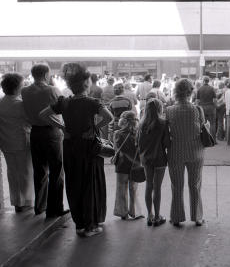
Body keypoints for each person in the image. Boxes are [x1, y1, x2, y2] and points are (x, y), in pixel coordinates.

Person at [40, 63, 113, 237]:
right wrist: (94, 127)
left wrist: (62, 127)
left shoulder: (64, 102)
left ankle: (80, 224)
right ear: (86, 84)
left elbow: (42, 115)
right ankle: (90, 226)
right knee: (90, 183)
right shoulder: (91, 102)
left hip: (70, 145)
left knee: (74, 183)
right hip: (88, 147)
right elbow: (108, 117)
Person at [21, 64, 68, 218]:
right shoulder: (53, 90)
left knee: (39, 170)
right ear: (47, 74)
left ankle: (40, 206)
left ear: (33, 74)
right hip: (52, 132)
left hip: (34, 132)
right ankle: (55, 209)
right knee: (56, 171)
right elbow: (64, 107)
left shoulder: (25, 91)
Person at [166, 79, 206, 226]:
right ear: (190, 92)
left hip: (175, 151)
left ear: (176, 92)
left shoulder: (169, 110)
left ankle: (176, 217)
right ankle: (197, 217)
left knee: (177, 185)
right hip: (195, 151)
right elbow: (202, 126)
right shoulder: (197, 109)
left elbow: (166, 132)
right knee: (195, 185)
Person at [0, 73, 33, 212]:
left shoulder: (1, 103)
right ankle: (26, 202)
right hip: (21, 142)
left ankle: (16, 202)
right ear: (17, 87)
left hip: (6, 143)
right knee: (25, 172)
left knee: (12, 173)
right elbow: (30, 121)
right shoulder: (20, 104)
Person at [137, 99, 170, 226]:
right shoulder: (163, 123)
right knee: (157, 188)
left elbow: (138, 143)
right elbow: (167, 143)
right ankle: (157, 216)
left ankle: (149, 215)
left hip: (146, 159)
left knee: (148, 186)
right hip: (160, 158)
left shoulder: (141, 124)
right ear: (159, 108)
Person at [113, 111, 144, 220]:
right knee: (133, 189)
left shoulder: (117, 134)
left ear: (122, 121)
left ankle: (123, 212)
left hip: (121, 165)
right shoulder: (139, 134)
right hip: (135, 165)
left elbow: (116, 149)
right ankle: (134, 212)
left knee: (121, 189)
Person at [195, 76, 217, 143]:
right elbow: (215, 100)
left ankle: (205, 140)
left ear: (203, 81)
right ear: (208, 81)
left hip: (202, 108)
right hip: (210, 107)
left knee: (203, 124)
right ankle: (213, 140)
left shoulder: (199, 89)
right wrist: (214, 106)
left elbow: (197, 101)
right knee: (212, 123)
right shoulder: (212, 88)